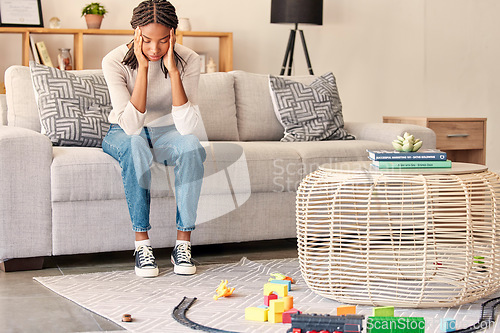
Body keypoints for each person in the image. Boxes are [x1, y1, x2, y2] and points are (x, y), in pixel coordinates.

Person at [101, 0, 206, 278]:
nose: (154, 49)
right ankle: (142, 245)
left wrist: (172, 71)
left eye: (162, 41)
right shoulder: (113, 61)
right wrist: (144, 68)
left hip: (167, 132)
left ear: (174, 33)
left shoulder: (189, 60)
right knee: (135, 144)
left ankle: (183, 244)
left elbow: (186, 128)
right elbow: (132, 127)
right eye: (146, 40)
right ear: (135, 33)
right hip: (123, 132)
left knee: (192, 147)